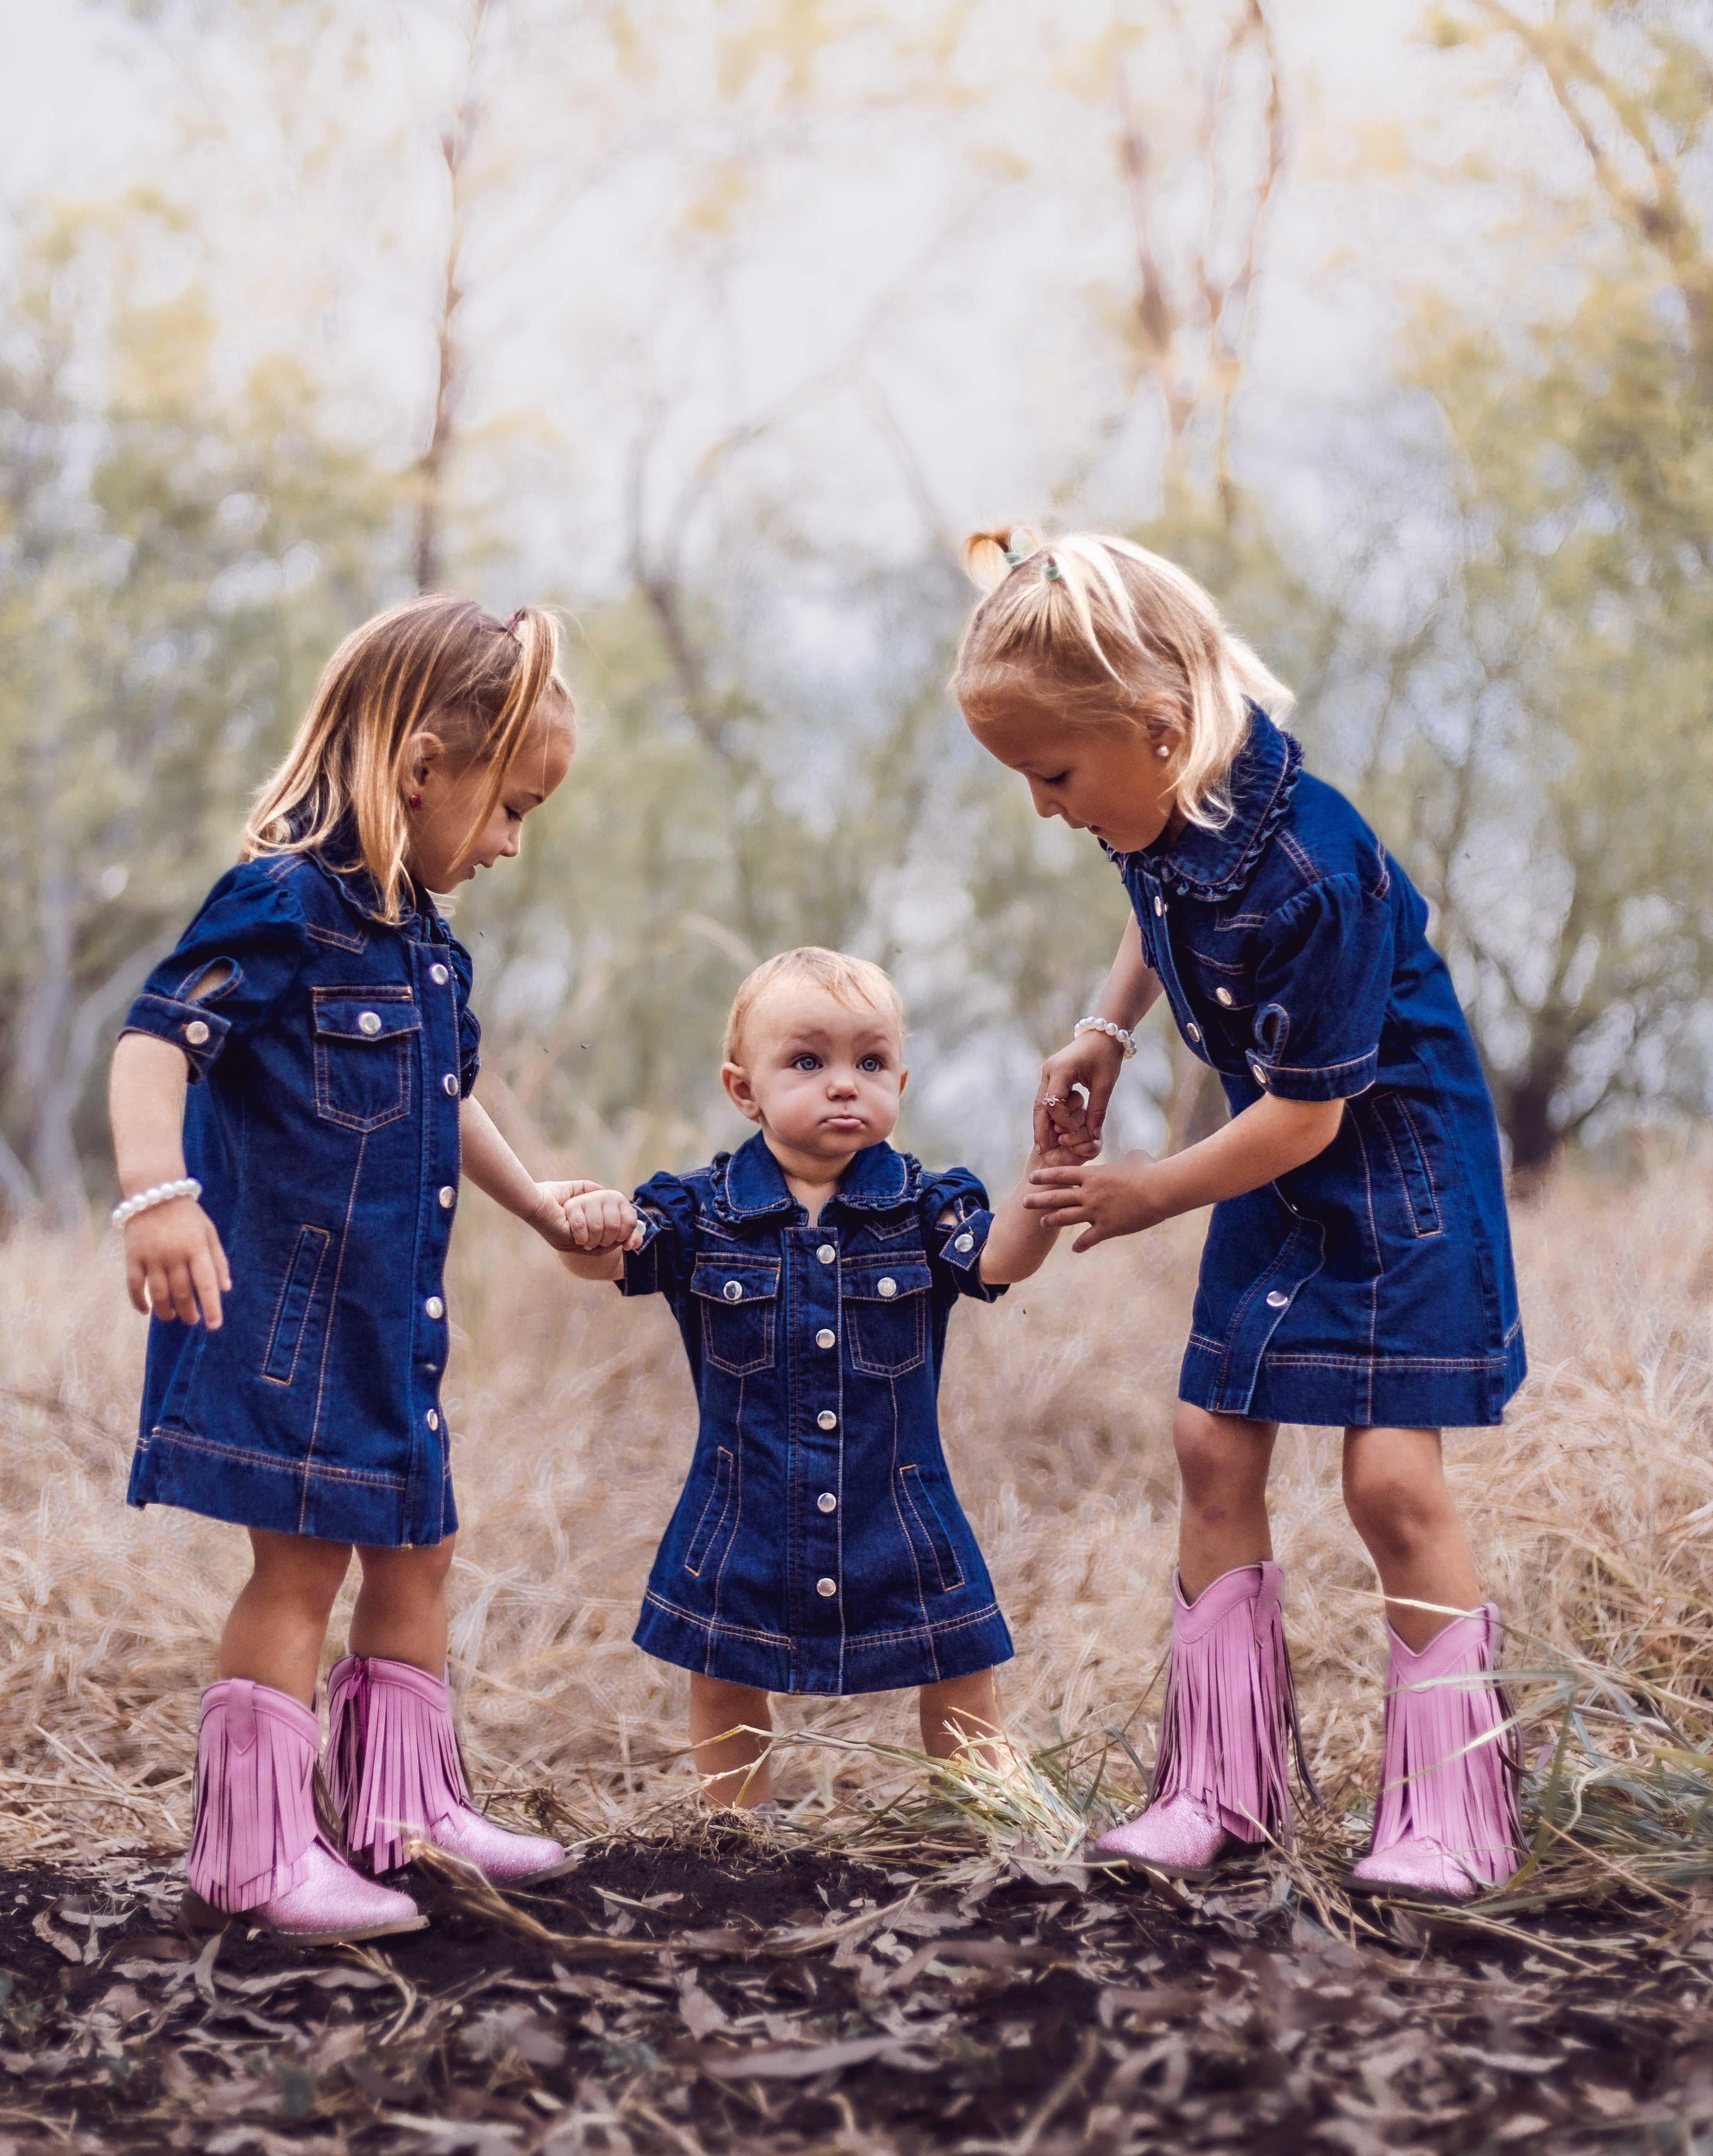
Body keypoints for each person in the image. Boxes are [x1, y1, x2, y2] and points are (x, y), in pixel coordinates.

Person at [953, 528, 1525, 1902]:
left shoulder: (1315, 873)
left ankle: (1452, 1811)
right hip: (1276, 1159)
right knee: (1210, 1440)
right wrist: (1105, 1028)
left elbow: (1311, 1117)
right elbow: (1161, 910)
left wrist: (1149, 1190)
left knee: (1390, 1480)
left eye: (1052, 776)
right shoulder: (1160, 798)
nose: (1045, 808)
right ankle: (1218, 1785)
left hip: (1394, 1176)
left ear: (1156, 727)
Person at [108, 595, 636, 1943]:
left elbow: (447, 1093)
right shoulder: (283, 901)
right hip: (279, 1316)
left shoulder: (419, 937)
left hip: (386, 1322)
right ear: (419, 769)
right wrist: (156, 1198)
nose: (514, 841)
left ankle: (401, 1806)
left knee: (421, 1541)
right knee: (299, 1570)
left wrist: (535, 1205)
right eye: (511, 805)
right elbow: (153, 1041)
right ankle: (254, 1856)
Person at [559, 946, 1065, 1807]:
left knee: (957, 1660)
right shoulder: (699, 1209)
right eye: (807, 1060)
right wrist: (589, 1228)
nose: (843, 1083)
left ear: (900, 1080)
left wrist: (1043, 1186)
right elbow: (609, 1263)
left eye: (869, 1062)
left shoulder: (924, 1203)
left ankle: (995, 1811)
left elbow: (997, 1259)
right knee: (724, 1671)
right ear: (741, 1089)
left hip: (895, 1499)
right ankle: (740, 1831)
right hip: (745, 1503)